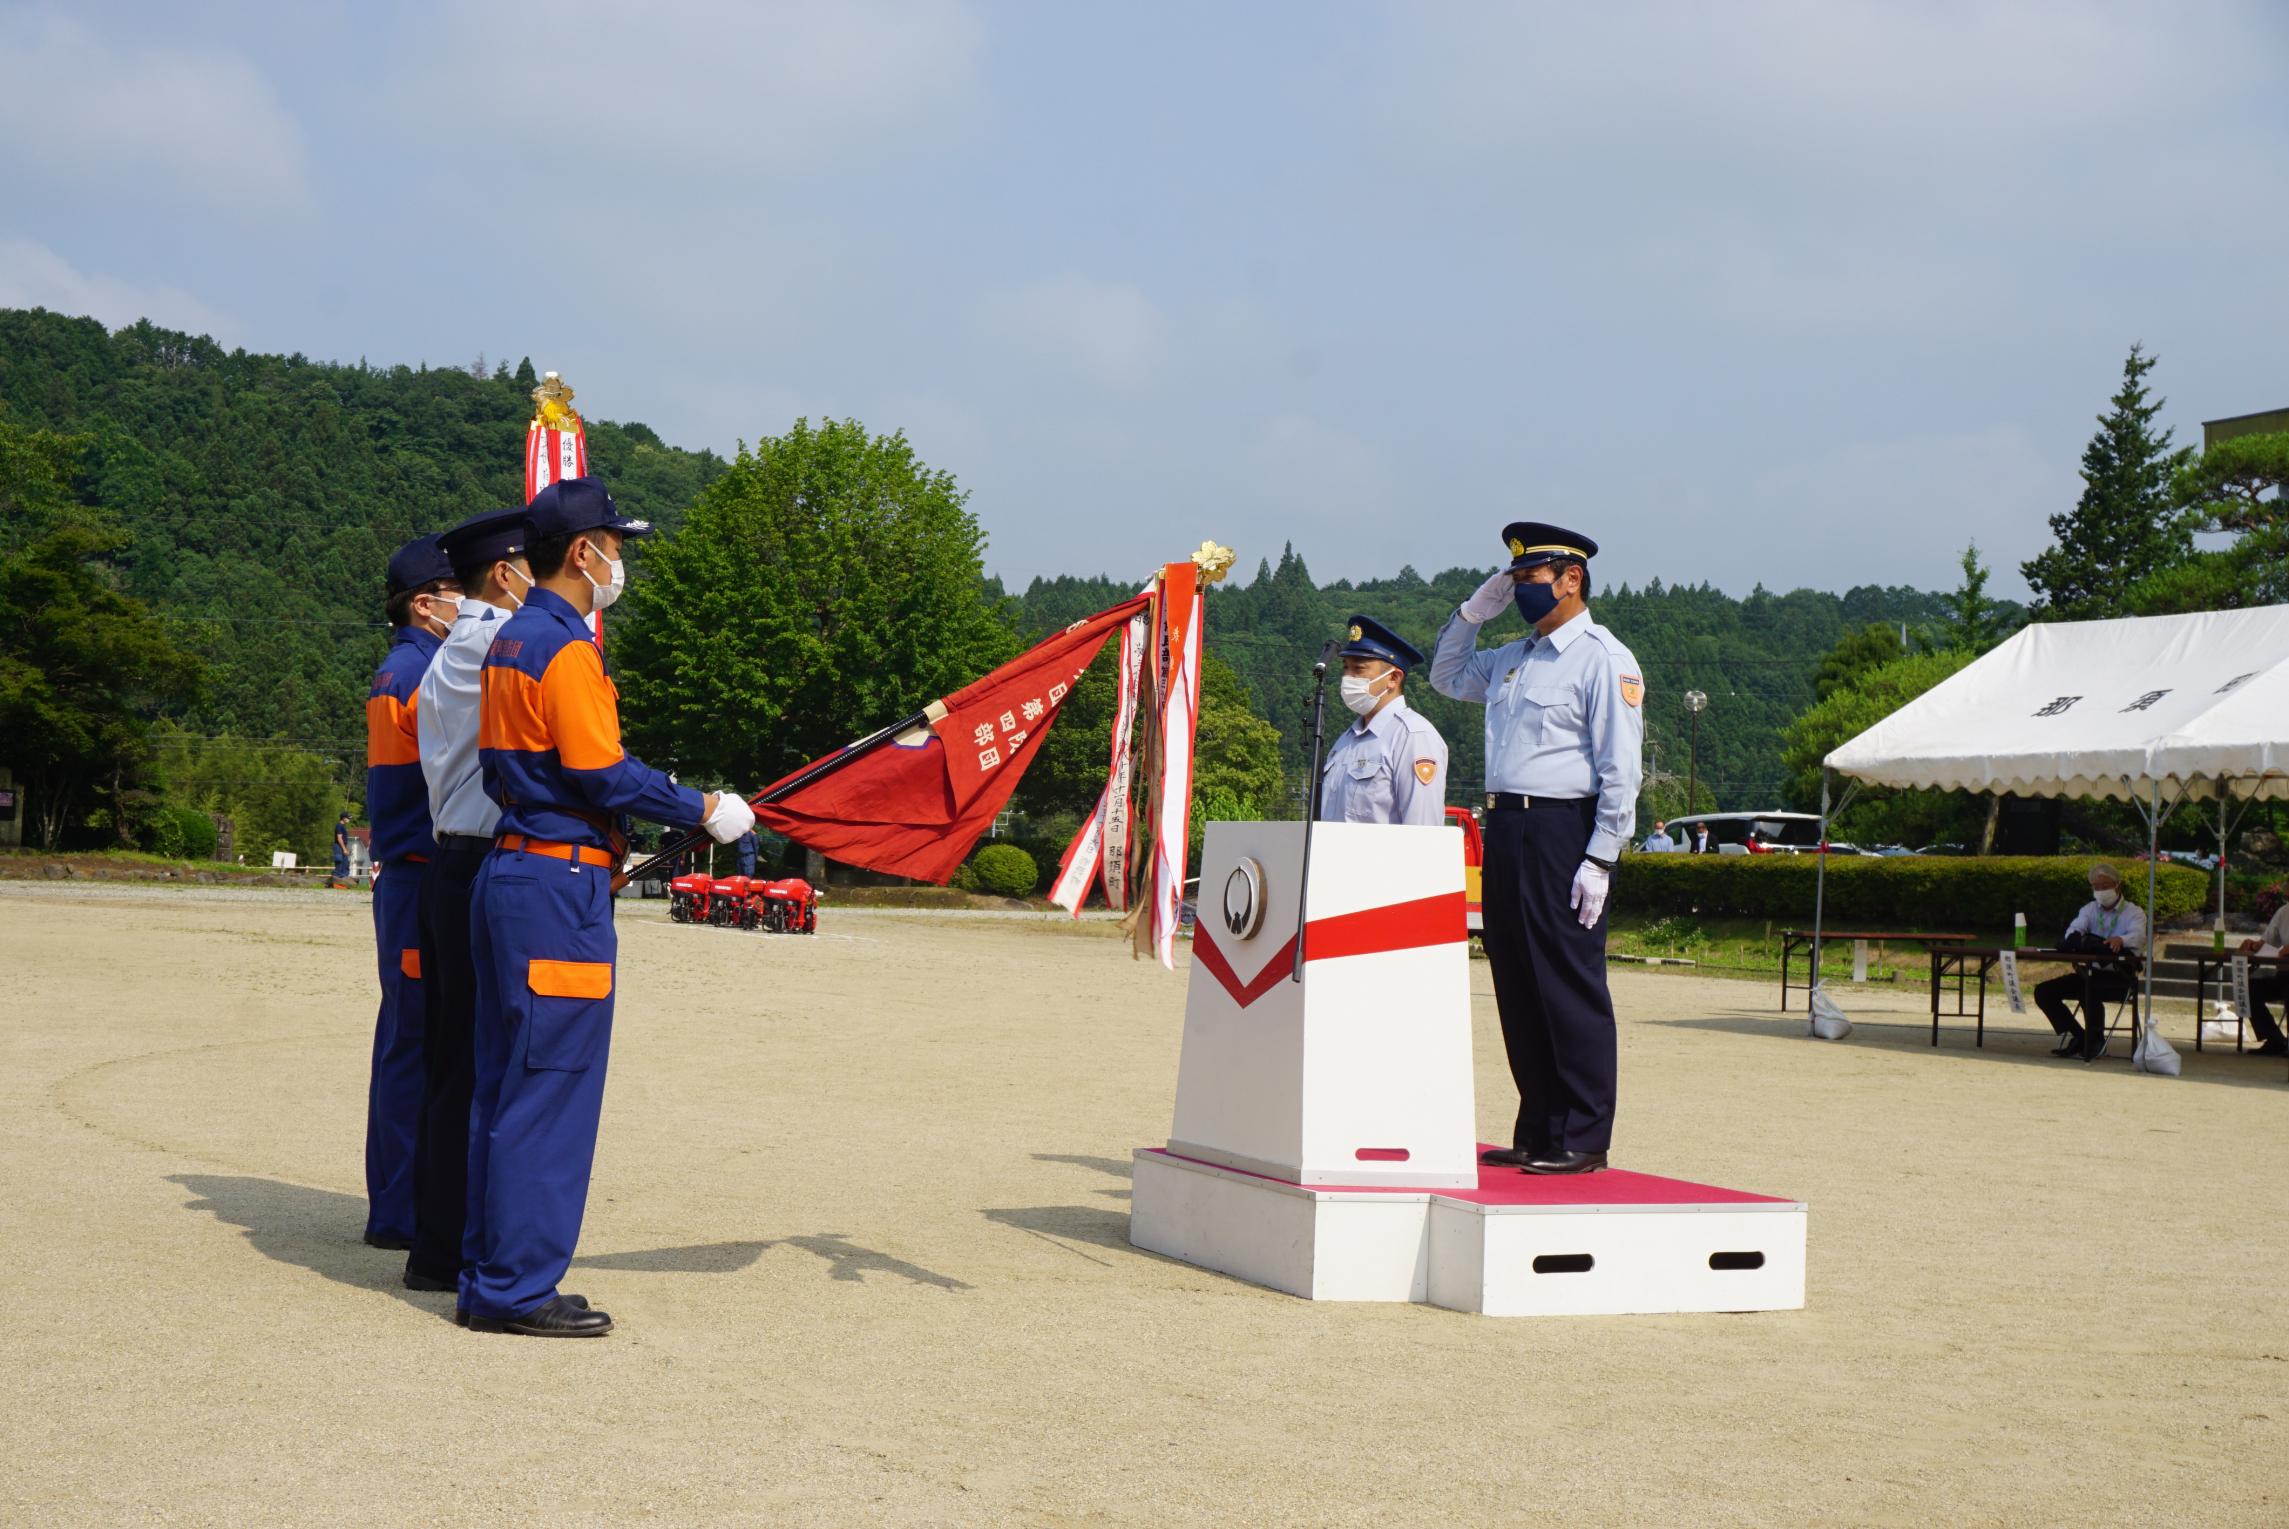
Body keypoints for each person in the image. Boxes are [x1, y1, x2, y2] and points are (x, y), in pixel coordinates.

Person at [465, 477, 755, 1337]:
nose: (620, 562)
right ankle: (515, 1286)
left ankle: (493, 1272)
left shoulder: (512, 640)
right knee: (550, 1089)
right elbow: (601, 769)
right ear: (583, 552)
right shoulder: (565, 648)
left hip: (517, 870)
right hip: (558, 886)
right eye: (616, 546)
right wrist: (703, 806)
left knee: (506, 1085)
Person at [1431, 521, 1643, 1174]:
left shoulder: (1603, 658)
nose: (1517, 590)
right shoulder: (1511, 657)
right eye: (1513, 580)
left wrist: (1600, 857)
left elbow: (1620, 769)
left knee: (1567, 982)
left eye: (1527, 580)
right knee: (1516, 977)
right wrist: (1471, 612)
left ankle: (1582, 1133)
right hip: (1508, 828)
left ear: (1570, 579)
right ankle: (1538, 1128)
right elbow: (1443, 676)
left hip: (1563, 830)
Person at [403, 506, 532, 1296]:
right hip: (481, 865)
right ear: (505, 573)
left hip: (452, 862)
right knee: (483, 1066)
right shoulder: (495, 644)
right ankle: (460, 1244)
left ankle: (436, 1243)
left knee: (453, 1063)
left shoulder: (457, 647)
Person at [362, 533, 460, 1249]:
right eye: (458, 591)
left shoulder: (419, 668)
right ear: (425, 604)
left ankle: (405, 1199)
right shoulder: (413, 677)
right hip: (420, 873)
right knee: (414, 1042)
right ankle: (398, 1208)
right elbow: (423, 794)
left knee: (418, 1039)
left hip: (419, 875)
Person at [1316, 616, 1449, 826]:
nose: (1348, 677)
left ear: (1393, 678)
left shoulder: (1413, 736)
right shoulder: (1345, 741)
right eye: (1345, 668)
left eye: (1358, 669)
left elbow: (1423, 831)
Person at [2032, 863, 2146, 1061]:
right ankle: (2081, 1036)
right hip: (2090, 972)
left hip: (2120, 977)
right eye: (2096, 887)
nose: (2101, 891)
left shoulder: (2133, 912)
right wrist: (2074, 939)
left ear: (2117, 886)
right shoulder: (2089, 909)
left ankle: (2094, 1041)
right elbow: (2074, 929)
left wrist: (2122, 940)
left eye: (2105, 886)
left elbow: (2138, 935)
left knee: (2088, 988)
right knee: (2044, 991)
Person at [2233, 901, 2289, 1057]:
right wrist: (2255, 946)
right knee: (2249, 988)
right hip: (2284, 975)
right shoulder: (2284, 911)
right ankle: (2275, 1040)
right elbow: (2268, 942)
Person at [332, 812, 353, 885]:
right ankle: (336, 879)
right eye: (348, 818)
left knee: (345, 863)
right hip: (338, 846)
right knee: (339, 861)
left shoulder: (343, 826)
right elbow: (339, 838)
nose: (349, 820)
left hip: (343, 845)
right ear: (344, 818)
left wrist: (346, 848)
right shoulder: (339, 826)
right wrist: (344, 849)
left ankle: (344, 878)